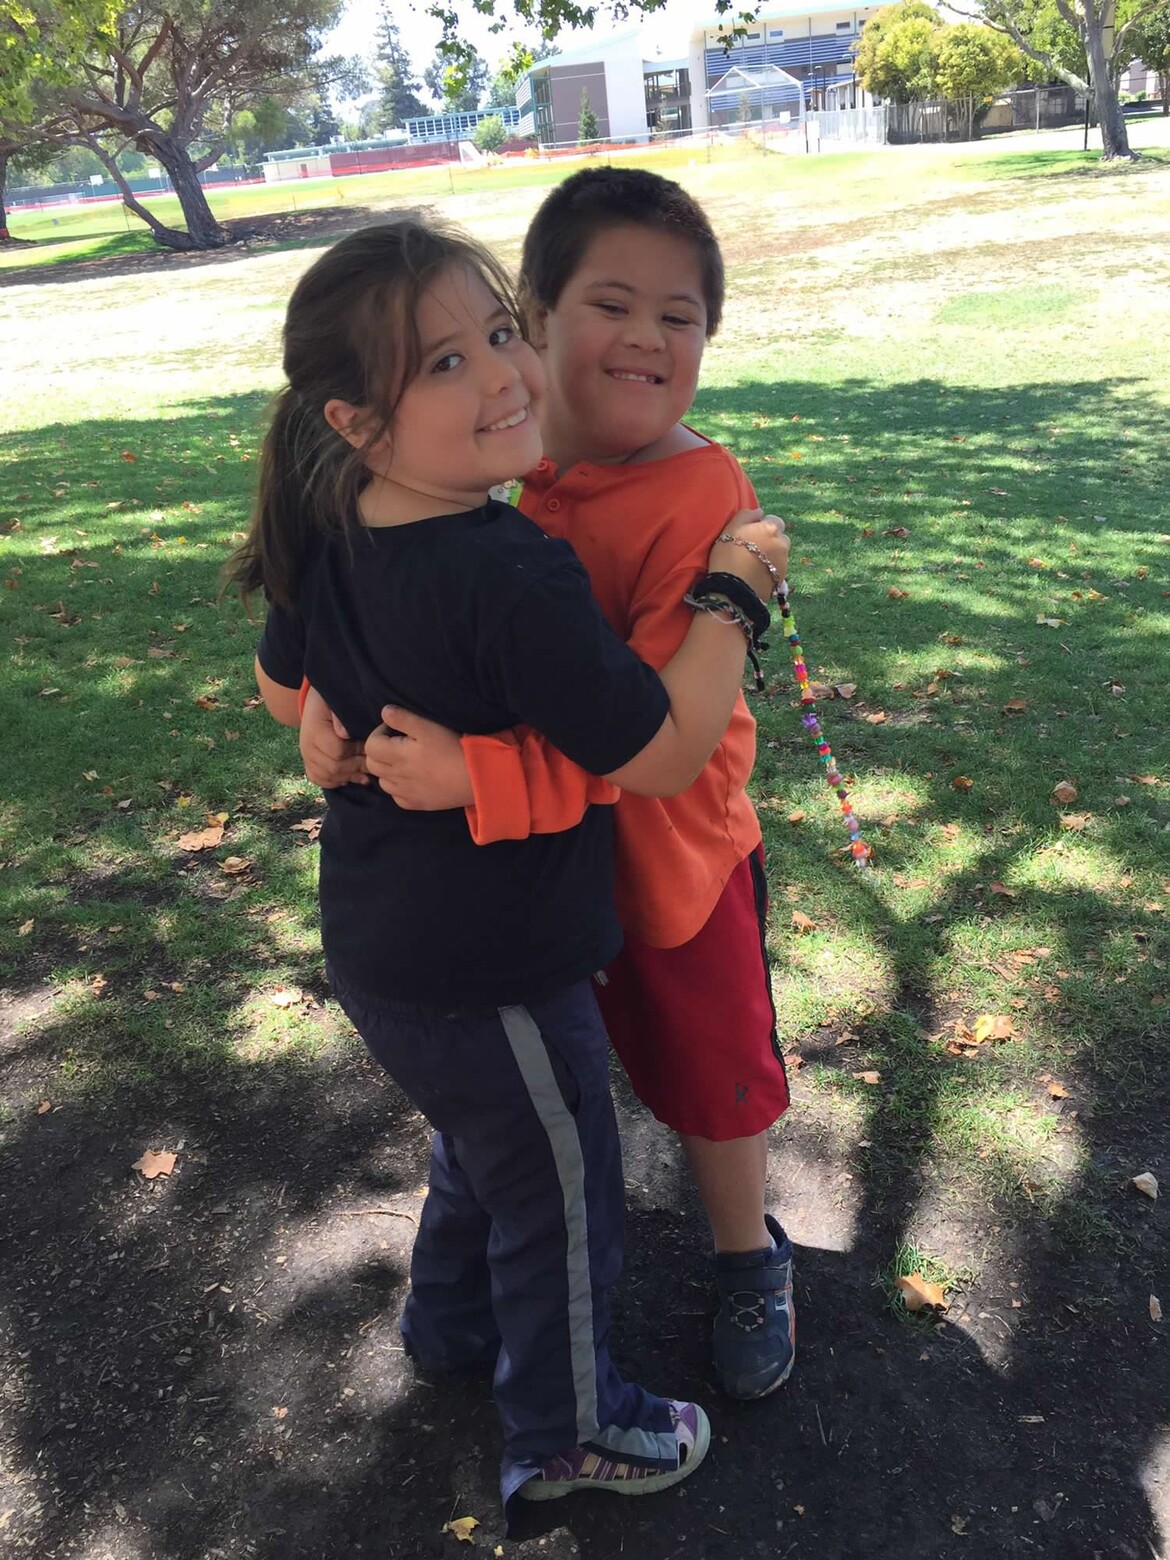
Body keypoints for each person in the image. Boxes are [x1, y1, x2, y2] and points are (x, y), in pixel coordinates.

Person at [228, 216, 789, 1517]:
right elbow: (662, 750)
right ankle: (567, 1429)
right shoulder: (512, 569)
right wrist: (735, 595)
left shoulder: (331, 522)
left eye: (494, 336)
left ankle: (447, 1324)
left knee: (484, 1144)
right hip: (494, 964)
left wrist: (318, 719)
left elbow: (281, 689)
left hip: (382, 955)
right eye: (443, 364)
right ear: (356, 419)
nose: (497, 376)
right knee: (563, 1188)